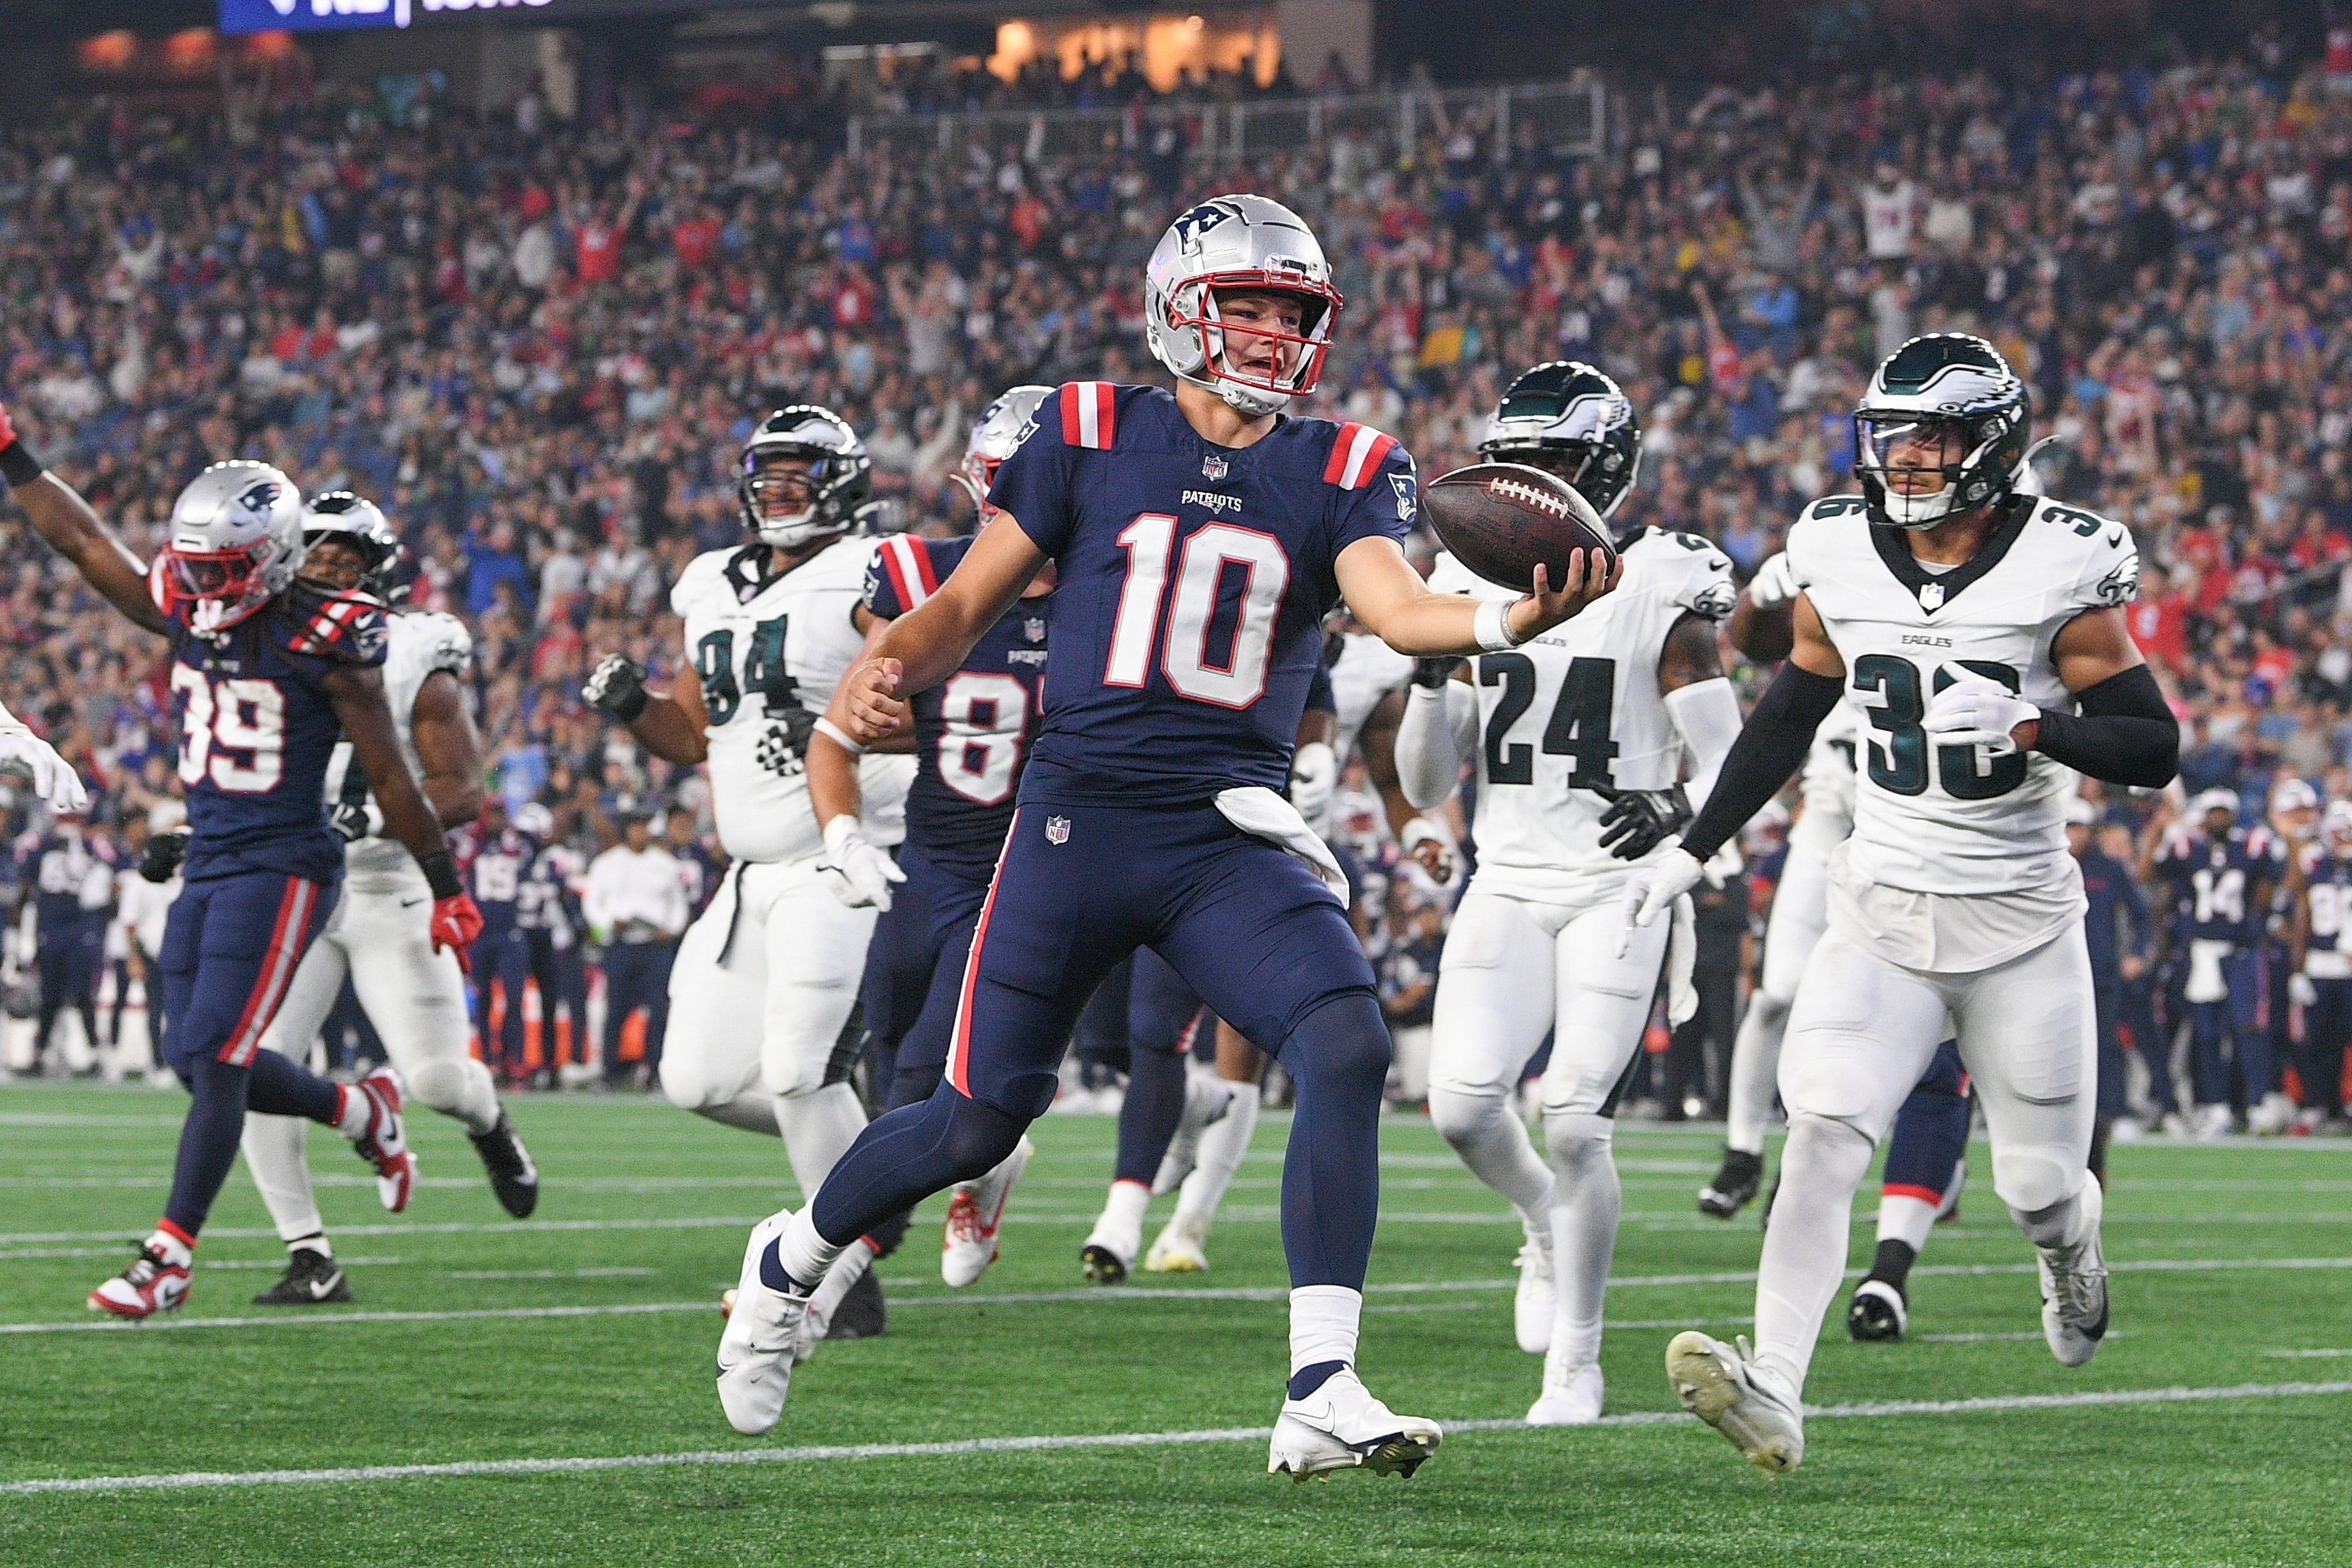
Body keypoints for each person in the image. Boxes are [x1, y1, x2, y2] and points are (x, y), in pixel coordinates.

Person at [717, 193, 1618, 1481]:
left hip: (1226, 831)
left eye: (1287, 313)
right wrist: (883, 670)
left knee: (1348, 1041)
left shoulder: (1345, 464)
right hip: (1077, 821)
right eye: (1241, 307)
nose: (1265, 335)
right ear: (1177, 308)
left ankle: (1319, 1380)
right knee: (975, 1122)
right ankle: (790, 1257)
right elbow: (964, 602)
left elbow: (1400, 610)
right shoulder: (1083, 429)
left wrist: (1503, 625)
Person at [1628, 335, 2177, 1473]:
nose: (1910, 459)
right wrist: (1692, 846)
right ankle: (1773, 1384)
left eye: (1934, 436)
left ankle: (2071, 1252)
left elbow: (2153, 746)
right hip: (1877, 903)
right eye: (1895, 434)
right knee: (1822, 1129)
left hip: (2021, 923)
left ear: (1992, 444)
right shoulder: (1835, 545)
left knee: (2036, 1186)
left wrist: (2039, 729)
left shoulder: (2061, 565)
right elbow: (1785, 711)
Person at [0, 411, 481, 1321]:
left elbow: (388, 773)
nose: (198, 584)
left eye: (219, 568)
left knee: (218, 1049)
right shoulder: (186, 599)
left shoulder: (329, 641)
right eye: (193, 564)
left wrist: (446, 888)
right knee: (195, 1058)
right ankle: (359, 1111)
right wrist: (11, 452)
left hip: (288, 859)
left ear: (269, 557)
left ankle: (168, 1256)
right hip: (213, 852)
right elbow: (80, 539)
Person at [1390, 359, 1742, 1423]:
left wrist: (1680, 814)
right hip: (1505, 876)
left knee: (1575, 1118)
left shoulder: (1661, 581)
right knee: (1457, 1110)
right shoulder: (1461, 587)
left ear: (1606, 471)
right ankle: (1541, 1224)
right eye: (1518, 466)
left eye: (1553, 466)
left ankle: (1575, 1363)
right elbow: (1424, 783)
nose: (1529, 491)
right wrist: (1422, 664)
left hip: (1615, 889)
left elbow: (1732, 758)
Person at [583, 403, 909, 1330]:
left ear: (841, 485)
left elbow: (922, 677)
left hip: (840, 853)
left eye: (799, 476)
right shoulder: (710, 585)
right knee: (702, 1080)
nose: (779, 492)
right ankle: (918, 1151)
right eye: (768, 477)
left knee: (800, 1073)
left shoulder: (869, 572)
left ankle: (832, 1280)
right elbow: (690, 734)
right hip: (749, 871)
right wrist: (632, 706)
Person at [237, 494, 539, 1309]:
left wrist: (367, 816)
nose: (330, 572)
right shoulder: (263, 637)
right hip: (301, 884)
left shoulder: (410, 647)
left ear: (381, 573)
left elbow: (464, 787)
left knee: (438, 1080)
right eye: (317, 558)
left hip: (389, 882)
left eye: (347, 561)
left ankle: (487, 1123)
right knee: (257, 1068)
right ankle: (310, 1255)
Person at [811, 385, 1056, 1299]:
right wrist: (843, 826)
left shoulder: (1112, 592)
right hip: (933, 850)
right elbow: (856, 712)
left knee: (922, 1071)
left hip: (1033, 862)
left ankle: (827, 1269)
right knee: (885, 1048)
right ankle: (985, 1168)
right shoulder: (920, 573)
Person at [2151, 788, 2289, 1135]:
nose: (2218, 818)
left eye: (2223, 812)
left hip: (2240, 949)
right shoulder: (2188, 847)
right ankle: (2215, 1106)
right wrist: (2160, 827)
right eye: (2212, 812)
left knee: (2248, 1030)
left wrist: (2256, 922)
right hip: (2202, 951)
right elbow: (2152, 874)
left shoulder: (2252, 845)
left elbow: (2273, 881)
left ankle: (2257, 1103)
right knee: (2207, 1033)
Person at [583, 811, 688, 1085]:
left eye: (644, 828)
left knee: (658, 1009)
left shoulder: (665, 864)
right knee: (615, 1009)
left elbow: (678, 904)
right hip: (621, 944)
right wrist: (609, 922)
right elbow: (593, 903)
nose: (640, 834)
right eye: (635, 828)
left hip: (656, 946)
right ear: (626, 831)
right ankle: (609, 1071)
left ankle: (655, 1072)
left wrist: (671, 928)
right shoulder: (607, 864)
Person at [25, 807, 114, 1072]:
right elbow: (28, 880)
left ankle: (94, 1053)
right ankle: (41, 1053)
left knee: (83, 994)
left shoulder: (91, 845)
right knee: (49, 995)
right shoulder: (42, 846)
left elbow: (114, 870)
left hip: (80, 929)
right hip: (53, 929)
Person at [460, 796, 537, 1086]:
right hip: (481, 933)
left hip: (510, 932)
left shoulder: (518, 842)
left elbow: (534, 851)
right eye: (490, 814)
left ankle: (514, 1059)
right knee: (482, 999)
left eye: (499, 814)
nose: (495, 820)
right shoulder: (471, 843)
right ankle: (487, 1060)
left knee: (514, 997)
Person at [2286, 800, 2352, 1133]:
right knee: (2315, 1041)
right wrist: (2298, 970)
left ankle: (2344, 1104)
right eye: (2340, 833)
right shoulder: (2314, 863)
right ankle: (2315, 1103)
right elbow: (2302, 917)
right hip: (2321, 965)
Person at [514, 801, 590, 1087]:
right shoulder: (514, 861)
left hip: (553, 939)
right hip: (522, 936)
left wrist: (575, 925)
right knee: (516, 1002)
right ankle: (522, 1064)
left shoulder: (554, 861)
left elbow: (569, 901)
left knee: (554, 1004)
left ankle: (555, 1064)